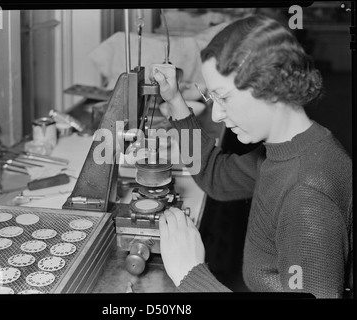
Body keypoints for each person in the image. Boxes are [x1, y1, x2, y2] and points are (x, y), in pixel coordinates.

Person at [150, 14, 353, 298]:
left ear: (269, 87)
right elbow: (216, 176)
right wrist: (174, 101)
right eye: (213, 99)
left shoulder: (307, 196)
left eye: (224, 98)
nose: (217, 115)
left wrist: (190, 275)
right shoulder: (289, 150)